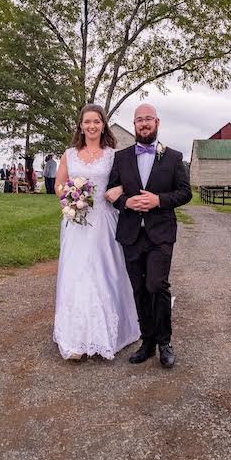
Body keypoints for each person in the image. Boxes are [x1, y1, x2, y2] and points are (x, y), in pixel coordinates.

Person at [106, 103, 192, 369]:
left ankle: (165, 343)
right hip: (131, 233)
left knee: (157, 285)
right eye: (139, 120)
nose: (144, 124)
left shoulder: (174, 157)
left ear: (157, 123)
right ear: (134, 125)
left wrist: (158, 200)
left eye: (148, 119)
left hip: (161, 233)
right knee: (139, 289)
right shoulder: (121, 158)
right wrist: (125, 203)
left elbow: (185, 192)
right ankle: (147, 342)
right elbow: (111, 190)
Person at [53, 104, 139, 360]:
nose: (91, 126)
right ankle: (75, 338)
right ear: (80, 125)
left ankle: (106, 334)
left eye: (97, 121)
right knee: (76, 273)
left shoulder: (113, 155)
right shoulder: (69, 154)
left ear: (103, 125)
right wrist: (68, 197)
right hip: (76, 223)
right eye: (87, 121)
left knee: (104, 273)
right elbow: (59, 184)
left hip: (104, 221)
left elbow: (128, 182)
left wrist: (119, 190)